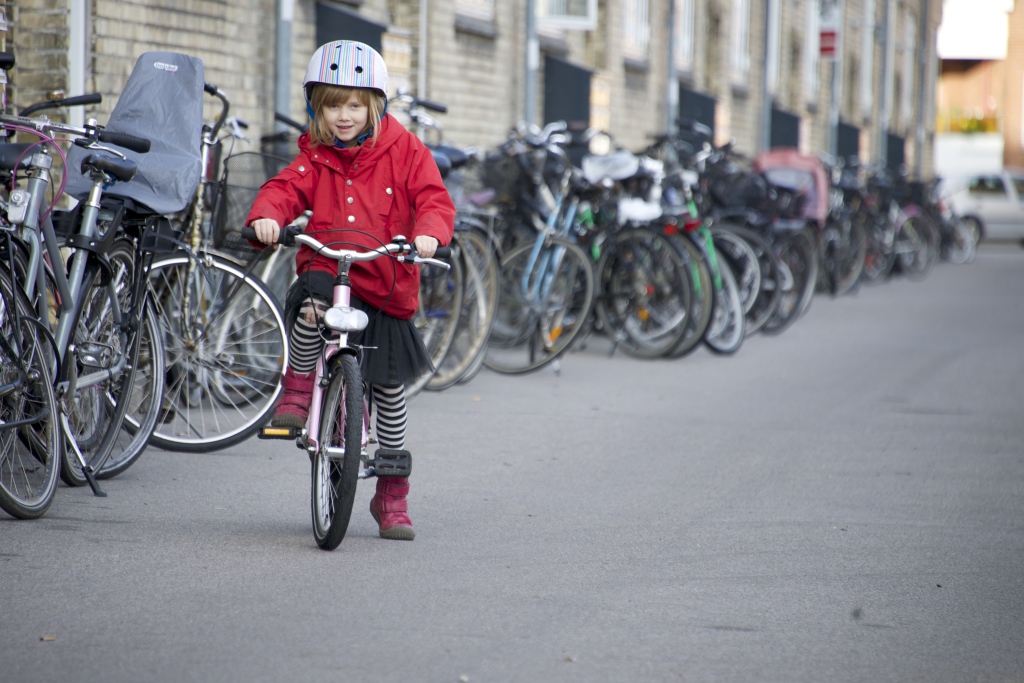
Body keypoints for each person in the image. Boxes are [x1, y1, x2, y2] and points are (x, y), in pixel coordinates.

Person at [246, 40, 455, 540]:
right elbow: (284, 188)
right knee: (310, 306)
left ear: (375, 105)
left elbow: (433, 198)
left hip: (384, 279)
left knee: (389, 390)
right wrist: (267, 217)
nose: (344, 116)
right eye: (333, 106)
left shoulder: (406, 150)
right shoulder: (315, 155)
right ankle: (298, 390)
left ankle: (392, 493)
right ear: (317, 108)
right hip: (330, 267)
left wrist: (429, 233)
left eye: (355, 105)